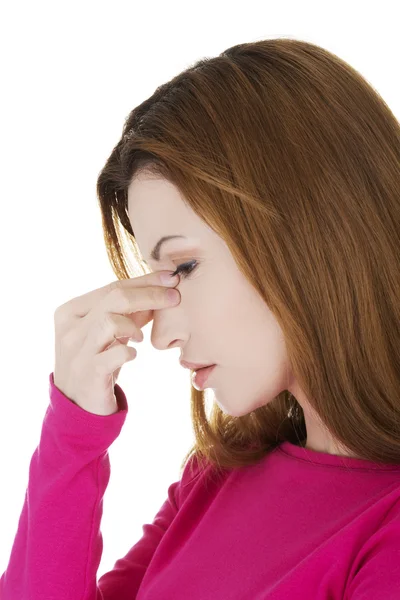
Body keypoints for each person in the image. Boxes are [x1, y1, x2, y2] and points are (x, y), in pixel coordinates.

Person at [2, 37, 400, 599]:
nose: (161, 332)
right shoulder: (213, 480)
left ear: (307, 233)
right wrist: (72, 434)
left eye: (184, 266)